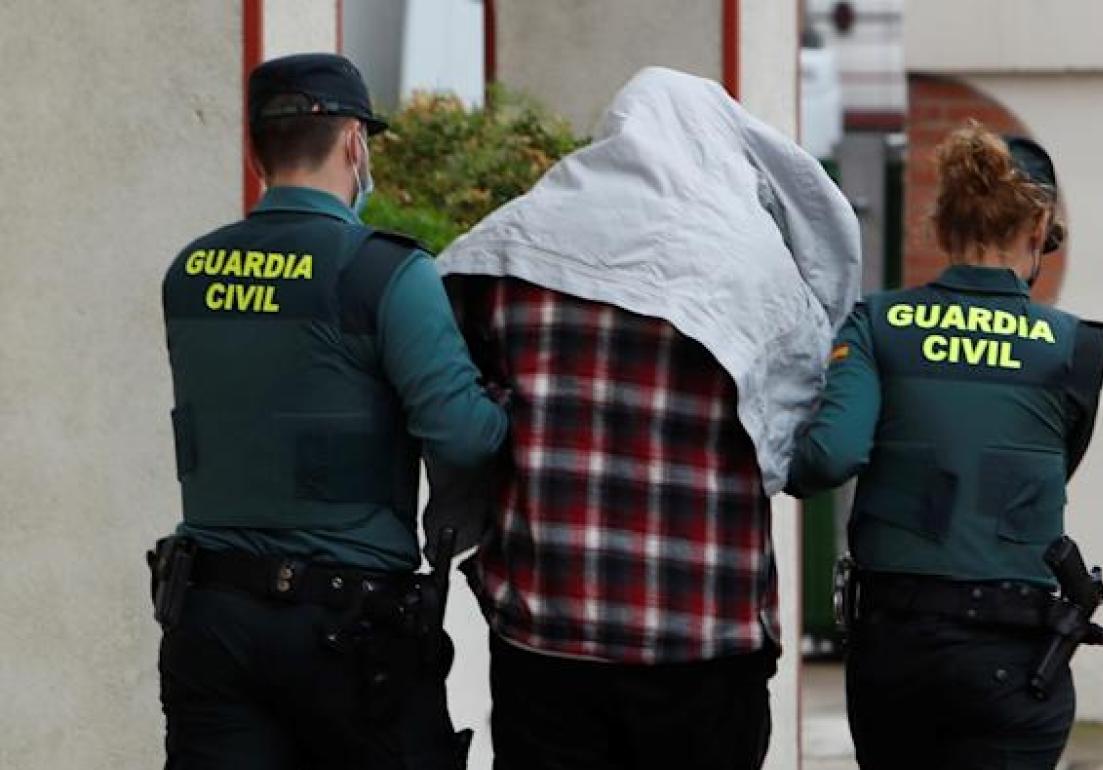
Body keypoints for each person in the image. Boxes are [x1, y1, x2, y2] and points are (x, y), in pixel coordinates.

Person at [435, 68, 861, 770]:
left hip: (548, 629)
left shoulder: (511, 256)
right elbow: (799, 441)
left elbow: (462, 416)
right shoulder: (754, 275)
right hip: (703, 637)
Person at [152, 53, 508, 769]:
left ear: (255, 152)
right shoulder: (386, 272)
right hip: (348, 634)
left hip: (210, 618)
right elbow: (466, 439)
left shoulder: (189, 272)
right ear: (354, 143)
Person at [787, 121, 1103, 770]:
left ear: (941, 225)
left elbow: (830, 456)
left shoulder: (877, 323)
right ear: (1037, 229)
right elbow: (1057, 463)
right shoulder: (1078, 348)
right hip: (1014, 658)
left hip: (895, 653)